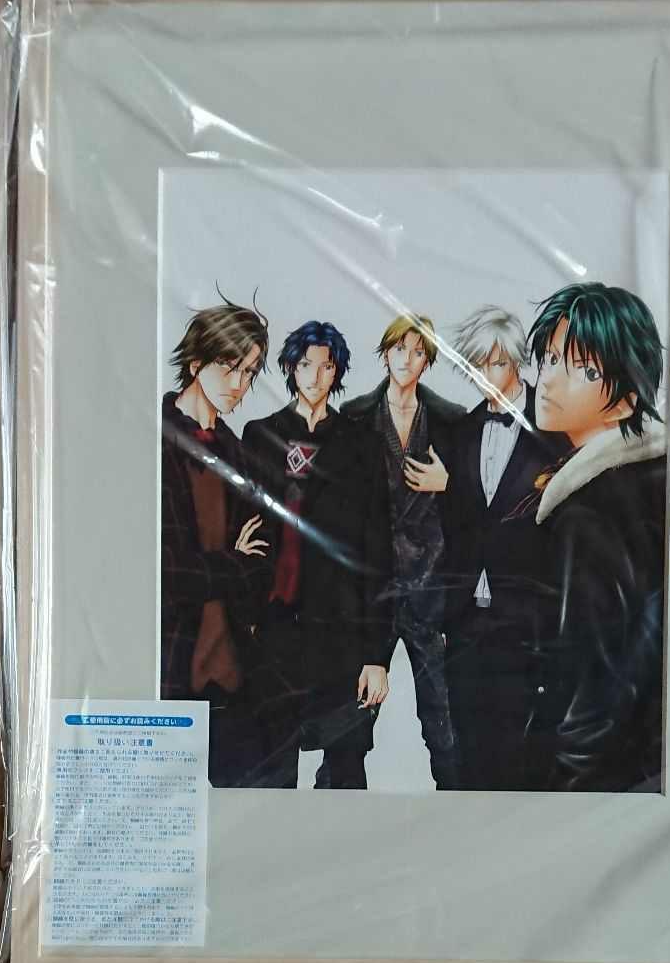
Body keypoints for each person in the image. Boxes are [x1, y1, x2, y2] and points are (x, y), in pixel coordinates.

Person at [515, 281, 667, 792]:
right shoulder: (655, 476)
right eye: (551, 358)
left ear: (625, 402)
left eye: (584, 370)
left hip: (595, 781)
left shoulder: (589, 511)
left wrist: (568, 793)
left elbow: (593, 682)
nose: (549, 380)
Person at [242, 321, 392, 790]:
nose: (315, 375)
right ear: (291, 368)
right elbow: (243, 528)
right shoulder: (261, 435)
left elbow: (378, 551)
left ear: (337, 373)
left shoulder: (361, 443)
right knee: (272, 774)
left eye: (326, 367)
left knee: (346, 774)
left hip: (342, 635)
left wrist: (378, 656)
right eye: (306, 364)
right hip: (275, 630)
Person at [439, 306, 570, 790]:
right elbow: (455, 525)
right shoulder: (461, 430)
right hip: (466, 621)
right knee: (469, 753)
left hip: (530, 621)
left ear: (517, 361)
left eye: (495, 364)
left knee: (524, 757)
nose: (485, 376)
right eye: (476, 365)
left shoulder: (555, 428)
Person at [341, 314, 463, 789]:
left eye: (417, 351)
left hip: (431, 585)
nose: (407, 359)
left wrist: (451, 484)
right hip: (371, 586)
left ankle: (459, 812)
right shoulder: (355, 416)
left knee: (444, 724)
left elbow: (475, 504)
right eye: (398, 349)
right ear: (385, 353)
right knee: (351, 724)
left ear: (428, 360)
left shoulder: (450, 419)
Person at [160, 296, 274, 787]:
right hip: (170, 671)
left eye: (249, 373)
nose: (239, 385)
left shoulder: (238, 455)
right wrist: (232, 562)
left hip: (235, 674)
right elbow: (165, 572)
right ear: (195, 363)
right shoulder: (153, 442)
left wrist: (225, 567)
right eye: (230, 368)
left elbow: (262, 563)